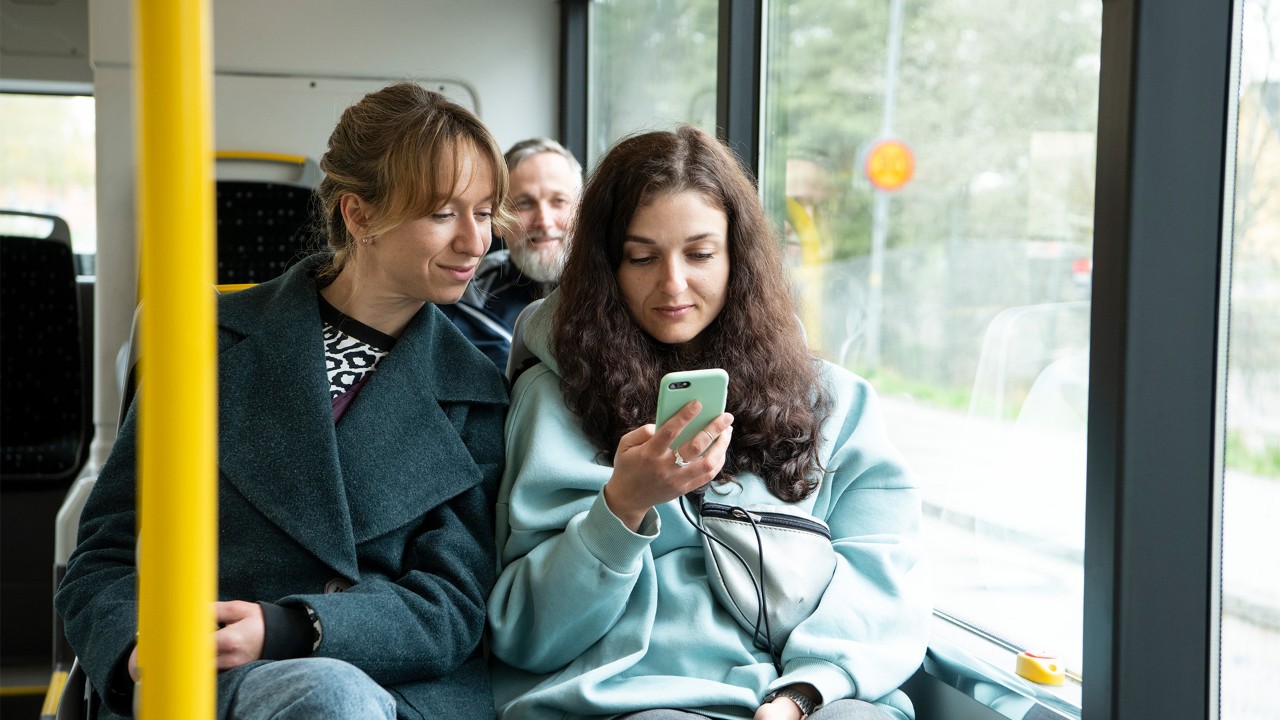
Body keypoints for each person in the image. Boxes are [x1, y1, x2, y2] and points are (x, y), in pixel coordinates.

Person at [55, 83, 513, 720]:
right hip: (206, 678)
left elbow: (454, 604)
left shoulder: (476, 391)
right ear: (358, 215)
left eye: (485, 212)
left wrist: (291, 628)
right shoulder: (206, 344)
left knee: (333, 697)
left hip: (387, 686)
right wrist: (136, 649)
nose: (476, 242)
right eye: (443, 214)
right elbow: (105, 551)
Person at [486, 125, 931, 720]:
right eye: (642, 257)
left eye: (699, 254)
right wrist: (620, 508)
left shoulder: (835, 402)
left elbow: (883, 576)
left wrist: (801, 694)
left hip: (810, 693)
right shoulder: (551, 402)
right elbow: (526, 635)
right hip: (633, 700)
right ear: (606, 267)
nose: (673, 284)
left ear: (737, 257)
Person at [441, 137, 583, 368]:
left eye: (559, 201)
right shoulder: (472, 292)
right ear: (498, 220)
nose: (544, 222)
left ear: (583, 212)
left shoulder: (614, 285)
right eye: (524, 204)